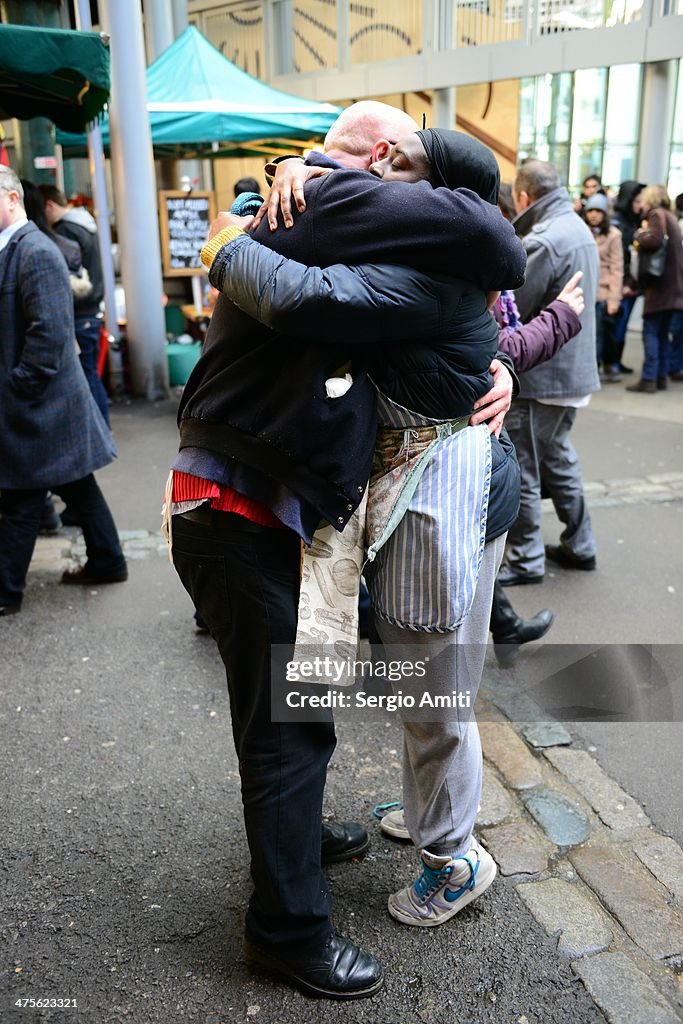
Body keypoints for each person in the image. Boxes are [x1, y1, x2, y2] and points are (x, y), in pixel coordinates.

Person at [167, 103, 524, 999]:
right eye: (373, 162)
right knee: (302, 717)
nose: (366, 182)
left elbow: (485, 251)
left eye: (395, 170)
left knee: (406, 684)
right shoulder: (324, 225)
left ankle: (433, 847)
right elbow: (310, 292)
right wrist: (267, 202)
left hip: (337, 517)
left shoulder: (401, 256)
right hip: (249, 508)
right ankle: (286, 928)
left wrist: (251, 218)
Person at [200, 133, 587, 930]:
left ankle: (454, 856)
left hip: (447, 506)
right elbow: (499, 343)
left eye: (396, 167)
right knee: (426, 678)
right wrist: (547, 331)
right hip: (430, 503)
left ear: (436, 203)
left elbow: (305, 298)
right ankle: (428, 812)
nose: (373, 172)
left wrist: (226, 238)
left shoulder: (425, 275)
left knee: (435, 685)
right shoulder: (436, 267)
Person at [0, 167, 127, 617]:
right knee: (75, 486)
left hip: (41, 401)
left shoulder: (34, 250)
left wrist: (18, 388)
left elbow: (50, 333)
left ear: (13, 199)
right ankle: (108, 560)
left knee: (20, 494)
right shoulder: (23, 247)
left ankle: (6, 591)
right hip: (44, 400)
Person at [498, 160, 600, 585]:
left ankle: (525, 559)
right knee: (558, 457)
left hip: (543, 375)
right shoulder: (574, 225)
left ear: (523, 196)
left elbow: (512, 309)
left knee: (524, 465)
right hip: (570, 371)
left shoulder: (544, 239)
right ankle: (581, 544)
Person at [38, 184, 109, 426]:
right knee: (90, 374)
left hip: (81, 310)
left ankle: (97, 429)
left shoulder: (66, 231)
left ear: (49, 205)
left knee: (84, 376)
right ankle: (102, 426)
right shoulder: (84, 224)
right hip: (91, 309)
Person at [625, 185, 683, 393]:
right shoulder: (671, 217)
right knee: (662, 334)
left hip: (659, 288)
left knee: (651, 332)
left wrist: (639, 234)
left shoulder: (656, 215)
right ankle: (660, 377)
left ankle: (649, 378)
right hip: (673, 288)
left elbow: (653, 240)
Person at [583, 192, 624, 381]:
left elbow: (617, 268)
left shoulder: (614, 235)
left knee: (599, 336)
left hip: (602, 293)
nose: (593, 215)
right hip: (583, 292)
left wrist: (613, 299)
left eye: (598, 211)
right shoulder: (581, 230)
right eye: (590, 210)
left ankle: (595, 371)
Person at [610, 180, 646, 374]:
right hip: (622, 285)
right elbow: (620, 257)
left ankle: (616, 361)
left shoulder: (632, 220)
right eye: (638, 200)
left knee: (621, 327)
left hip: (629, 283)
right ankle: (612, 363)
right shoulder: (619, 223)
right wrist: (625, 283)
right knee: (617, 326)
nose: (641, 204)